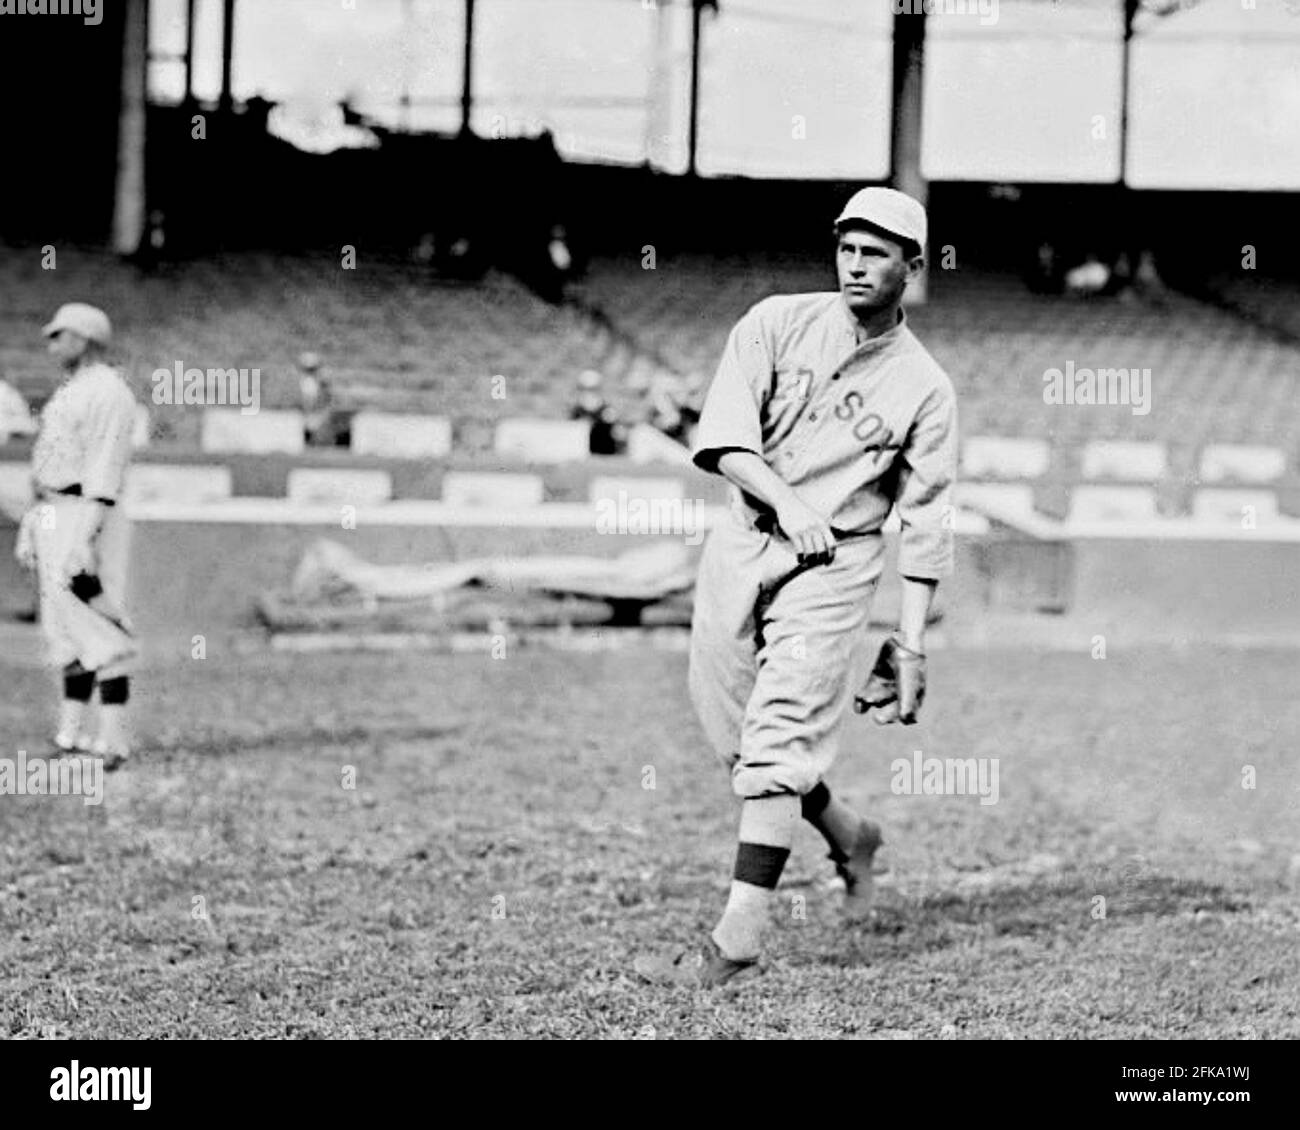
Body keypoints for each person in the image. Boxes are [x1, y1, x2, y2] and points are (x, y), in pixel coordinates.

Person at [635, 188, 958, 986]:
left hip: (835, 566)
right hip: (745, 540)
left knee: (779, 741)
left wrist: (910, 642)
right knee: (735, 738)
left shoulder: (927, 388)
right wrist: (786, 501)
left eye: (877, 253)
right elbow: (725, 438)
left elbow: (925, 522)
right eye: (848, 248)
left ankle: (736, 939)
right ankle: (851, 835)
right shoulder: (775, 322)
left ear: (912, 269)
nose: (856, 265)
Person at [15, 304, 140, 770]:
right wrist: (35, 521)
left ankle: (113, 742)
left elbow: (105, 468)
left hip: (86, 513)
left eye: (59, 336)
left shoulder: (110, 393)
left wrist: (86, 536)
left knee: (96, 620)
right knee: (62, 627)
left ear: (83, 339)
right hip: (54, 510)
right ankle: (70, 734)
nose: (52, 345)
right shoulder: (73, 391)